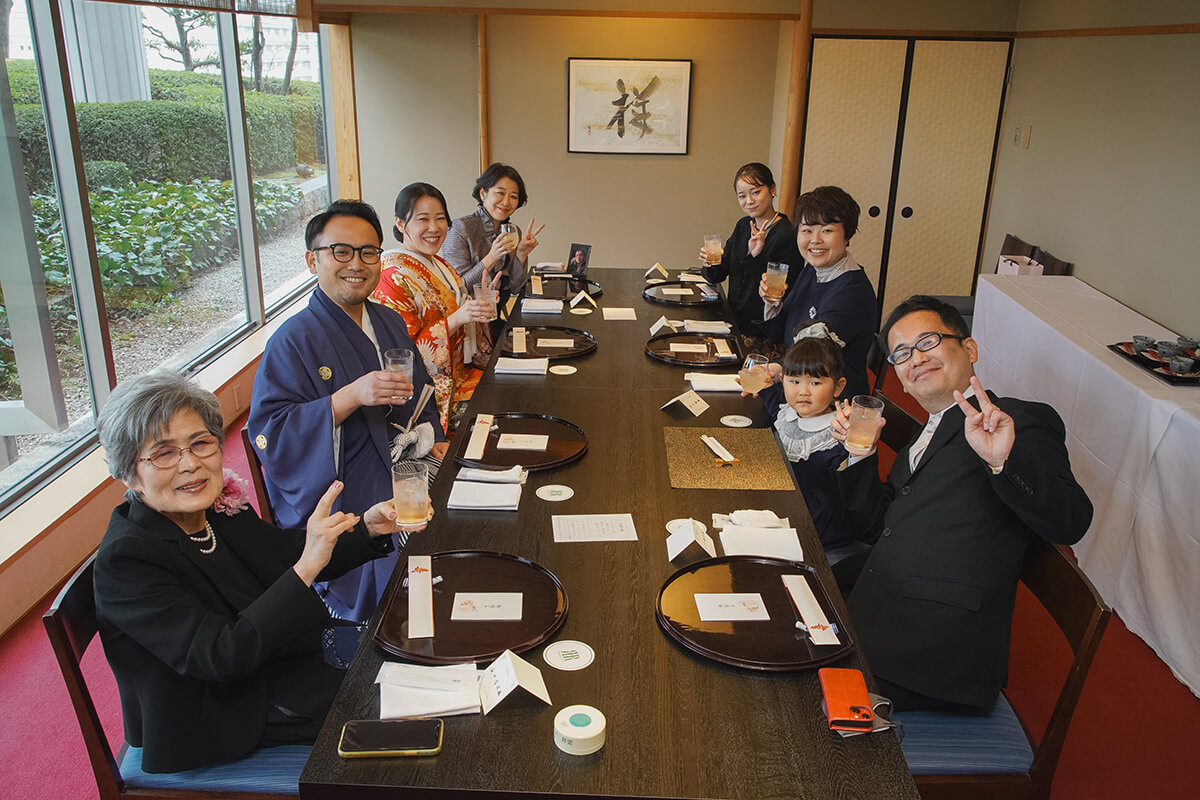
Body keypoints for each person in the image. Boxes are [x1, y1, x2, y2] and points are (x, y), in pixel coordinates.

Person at [93, 369, 428, 773]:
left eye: (201, 444)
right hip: (220, 709)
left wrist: (368, 528)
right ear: (129, 473)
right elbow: (220, 655)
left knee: (412, 653)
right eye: (164, 453)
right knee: (404, 702)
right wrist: (306, 566)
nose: (190, 465)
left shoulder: (215, 510)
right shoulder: (127, 559)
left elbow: (287, 554)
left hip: (275, 660)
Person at [829, 295, 1093, 712]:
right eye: (900, 353)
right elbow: (876, 527)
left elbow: (1071, 522)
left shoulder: (1017, 420)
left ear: (968, 349)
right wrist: (861, 455)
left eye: (927, 341)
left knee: (786, 688)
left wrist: (1002, 460)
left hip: (936, 649)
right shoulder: (924, 432)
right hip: (876, 601)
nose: (915, 358)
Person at [248, 199, 445, 621]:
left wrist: (434, 440)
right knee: (407, 570)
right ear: (311, 260)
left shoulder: (387, 321)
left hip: (405, 463)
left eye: (368, 252)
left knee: (467, 507)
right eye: (341, 251)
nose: (356, 263)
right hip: (346, 485)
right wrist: (349, 396)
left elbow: (423, 392)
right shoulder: (292, 340)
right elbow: (270, 434)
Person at [373, 182, 498, 433]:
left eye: (440, 218)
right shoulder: (392, 274)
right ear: (400, 224)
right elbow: (402, 354)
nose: (434, 228)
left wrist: (479, 309)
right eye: (423, 219)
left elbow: (464, 323)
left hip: (463, 373)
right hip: (431, 394)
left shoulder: (441, 264)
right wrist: (457, 319)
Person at [757, 185, 877, 398]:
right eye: (807, 230)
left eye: (827, 230)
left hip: (831, 409)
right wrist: (771, 301)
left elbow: (810, 359)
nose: (815, 240)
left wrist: (768, 373)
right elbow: (779, 333)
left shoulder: (852, 292)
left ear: (847, 235)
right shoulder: (812, 271)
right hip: (799, 391)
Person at [751, 323, 852, 555]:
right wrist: (765, 386)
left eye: (815, 383)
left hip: (815, 529)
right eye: (794, 381)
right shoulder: (788, 411)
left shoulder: (836, 433)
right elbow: (774, 406)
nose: (803, 391)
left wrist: (852, 442)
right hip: (783, 506)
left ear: (838, 387)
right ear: (783, 379)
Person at [701, 162, 802, 344]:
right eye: (742, 196)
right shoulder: (743, 226)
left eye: (755, 192)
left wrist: (756, 255)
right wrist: (710, 262)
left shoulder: (787, 234)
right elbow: (718, 275)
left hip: (761, 333)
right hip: (732, 323)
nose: (749, 201)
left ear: (772, 189)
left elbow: (778, 294)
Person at [440, 162, 545, 317]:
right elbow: (457, 288)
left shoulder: (511, 231)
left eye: (513, 196)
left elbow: (515, 288)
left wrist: (521, 255)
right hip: (467, 320)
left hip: (495, 316)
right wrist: (492, 257)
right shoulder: (459, 228)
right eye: (500, 193)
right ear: (483, 193)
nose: (506, 202)